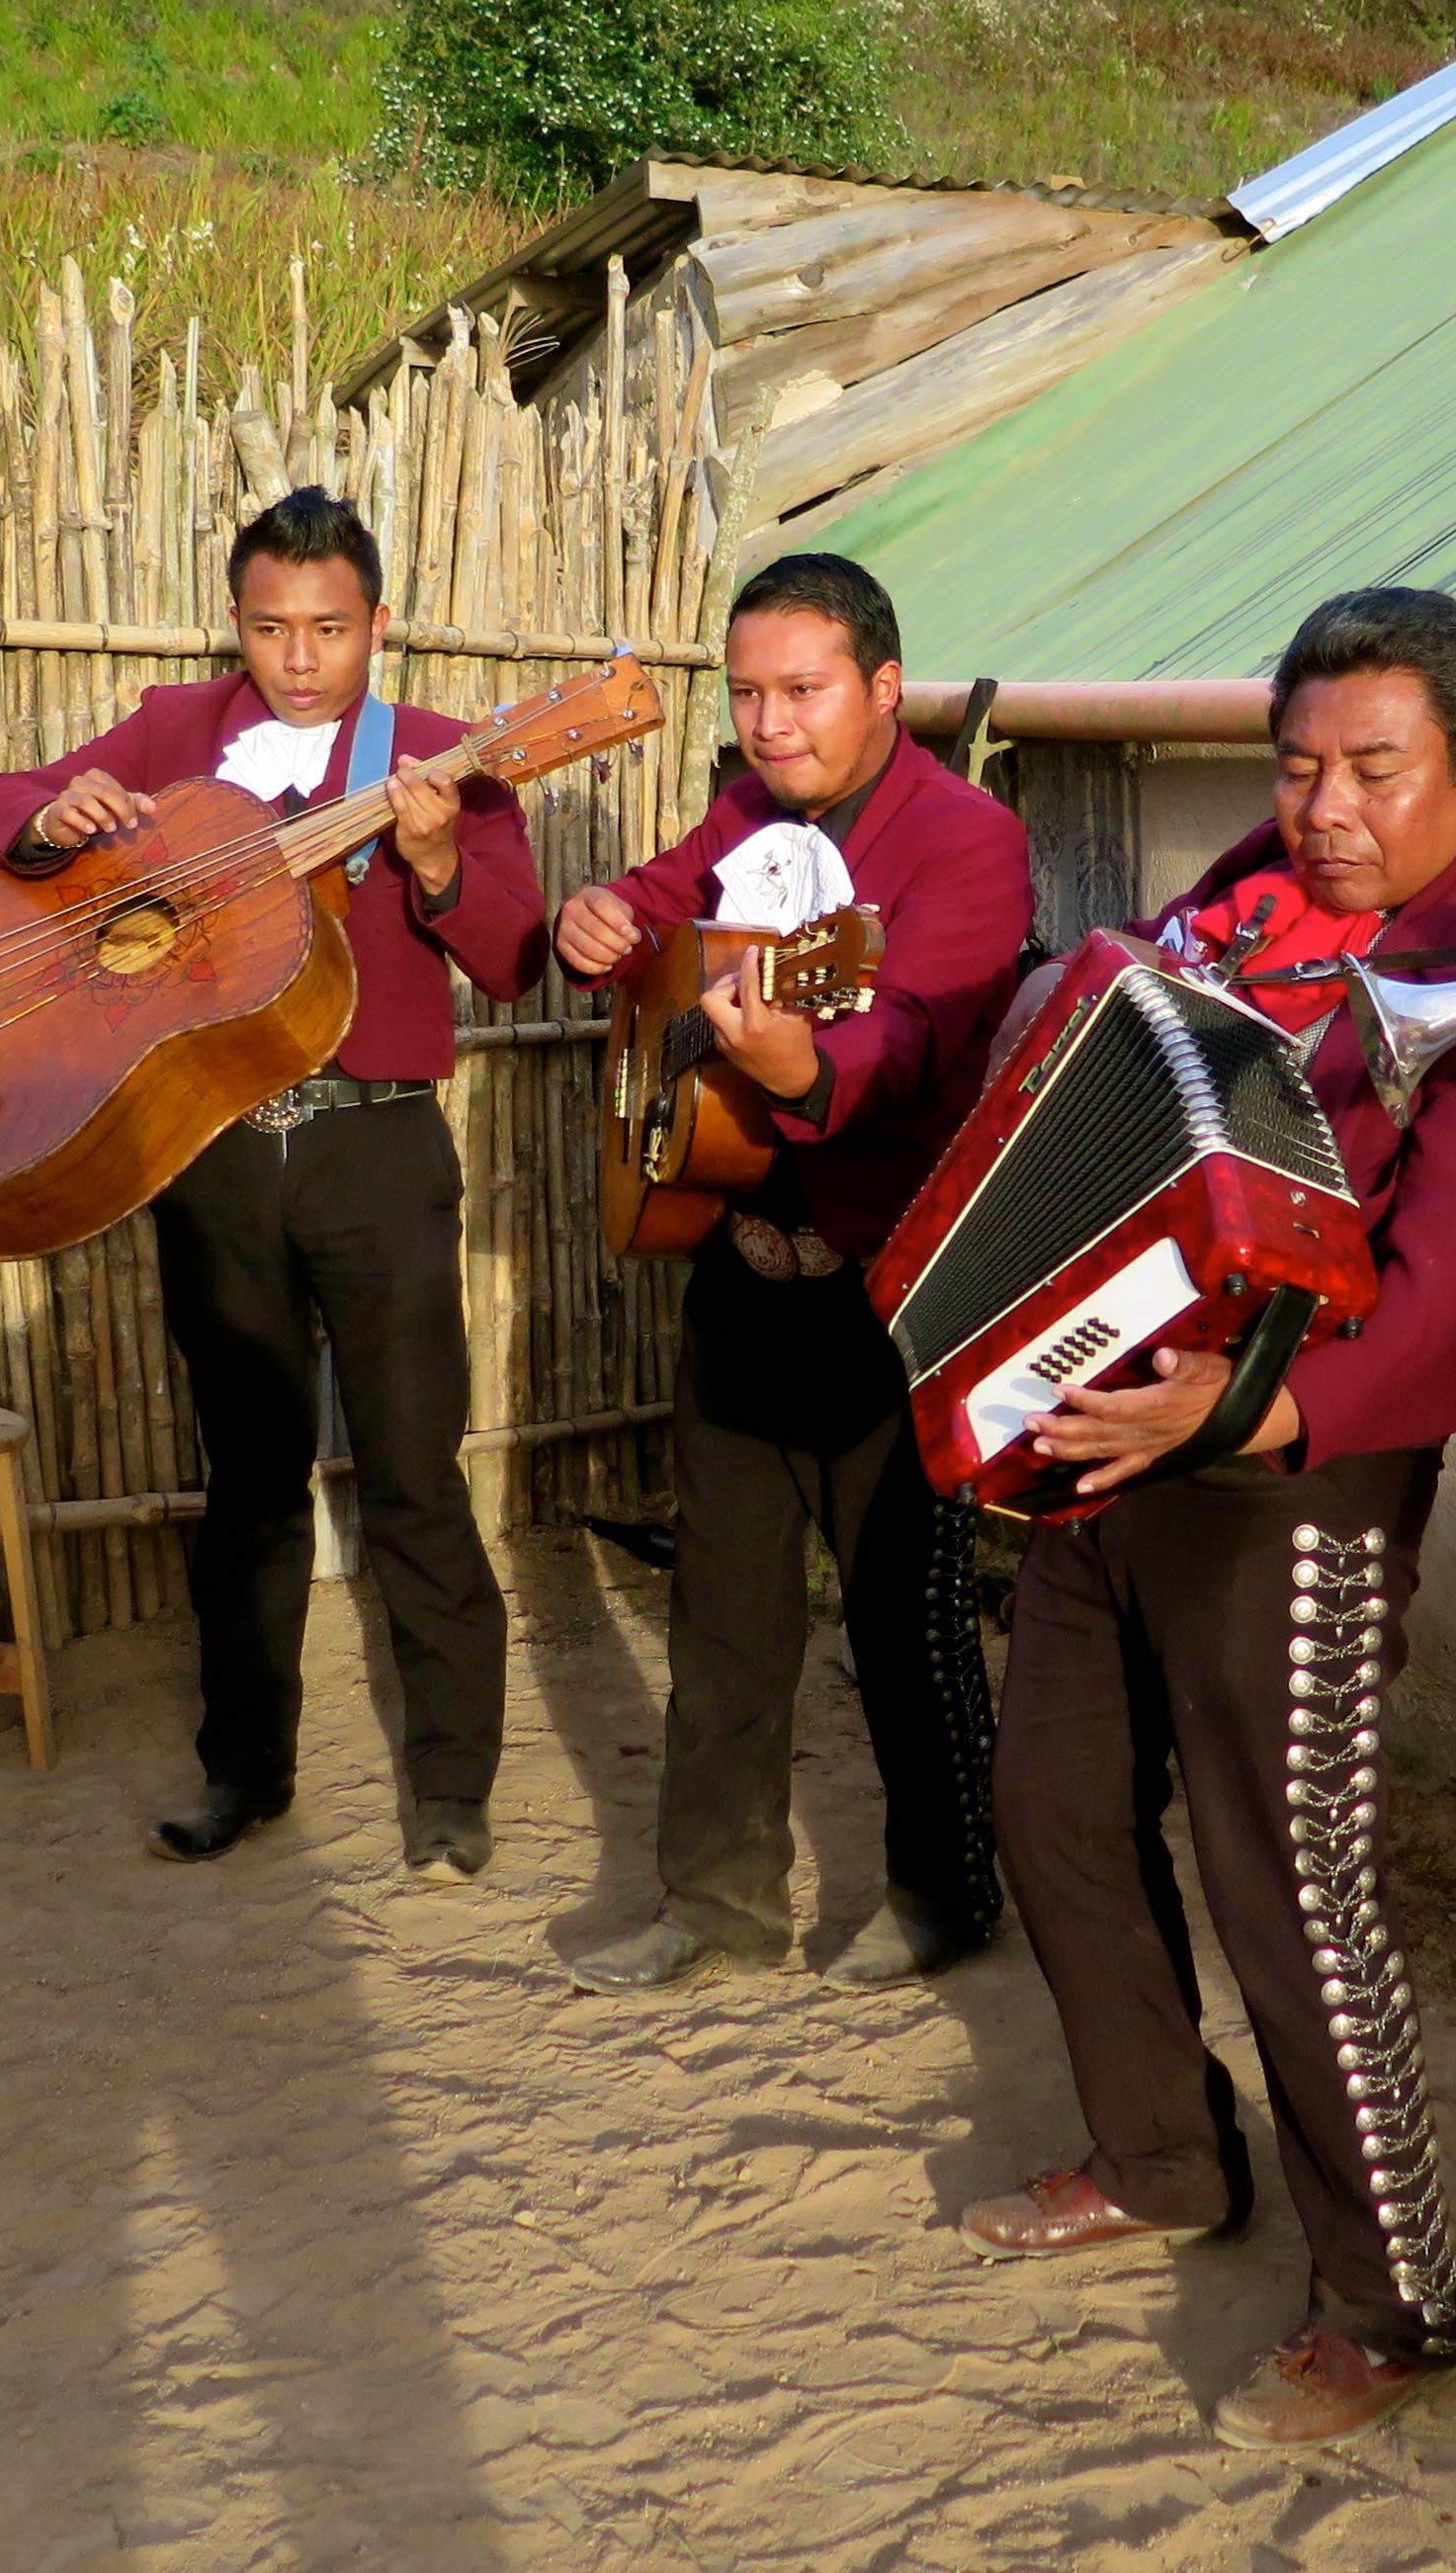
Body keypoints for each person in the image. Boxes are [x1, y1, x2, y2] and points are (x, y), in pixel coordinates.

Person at [956, 586, 1456, 2450]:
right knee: (1053, 1802)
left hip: (1305, 1460)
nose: (1324, 807)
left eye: (1373, 771)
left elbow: (1450, 1279)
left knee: (1288, 1879)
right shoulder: (1278, 868)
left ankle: (1396, 2299)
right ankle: (1161, 2157)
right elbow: (1139, 1022)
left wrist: (1241, 1404)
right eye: (1299, 763)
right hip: (1123, 1412)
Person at [0, 486, 549, 1876]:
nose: (299, 657)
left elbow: (515, 956)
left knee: (414, 1473)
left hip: (380, 1148)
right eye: (272, 628)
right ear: (236, 623)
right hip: (211, 1151)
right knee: (250, 1484)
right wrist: (59, 814)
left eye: (330, 629)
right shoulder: (173, 735)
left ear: (378, 626)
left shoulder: (444, 758)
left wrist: (435, 860)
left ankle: (453, 1789)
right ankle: (246, 1773)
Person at [552, 552, 1033, 1993]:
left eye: (802, 691)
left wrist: (806, 1061)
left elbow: (922, 1035)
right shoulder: (746, 818)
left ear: (884, 689)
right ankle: (718, 1910)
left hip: (900, 1286)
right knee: (726, 1611)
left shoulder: (966, 845)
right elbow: (651, 903)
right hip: (742, 1264)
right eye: (747, 693)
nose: (770, 724)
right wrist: (601, 927)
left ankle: (949, 1897)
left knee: (905, 1615)